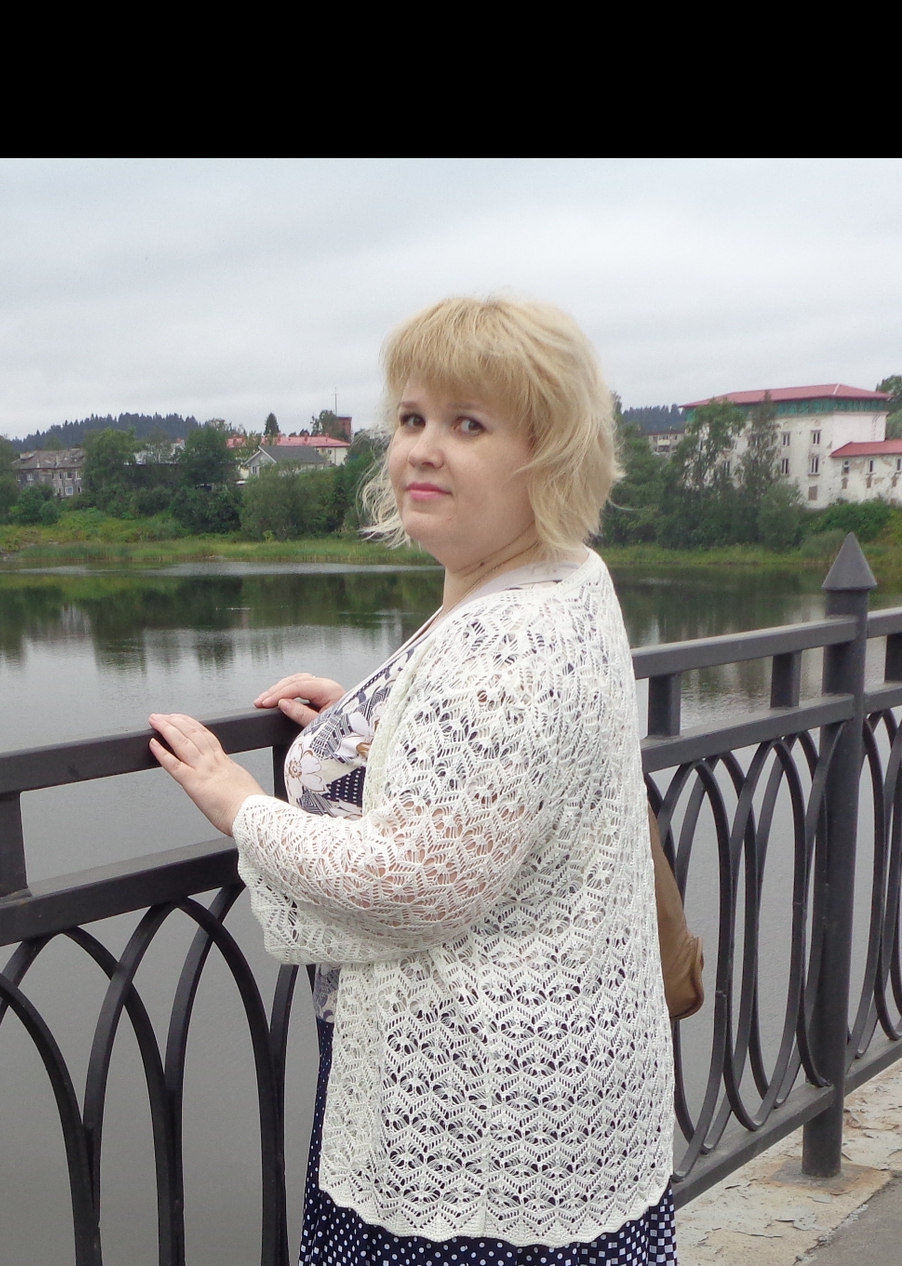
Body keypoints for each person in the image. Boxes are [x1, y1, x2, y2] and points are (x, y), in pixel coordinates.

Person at [149, 297, 676, 1265]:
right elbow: (505, 765)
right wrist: (378, 723)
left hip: (478, 1120)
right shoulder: (567, 580)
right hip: (569, 1088)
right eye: (411, 418)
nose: (422, 451)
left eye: (468, 424)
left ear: (548, 455)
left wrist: (238, 803)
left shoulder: (503, 645)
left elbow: (412, 886)